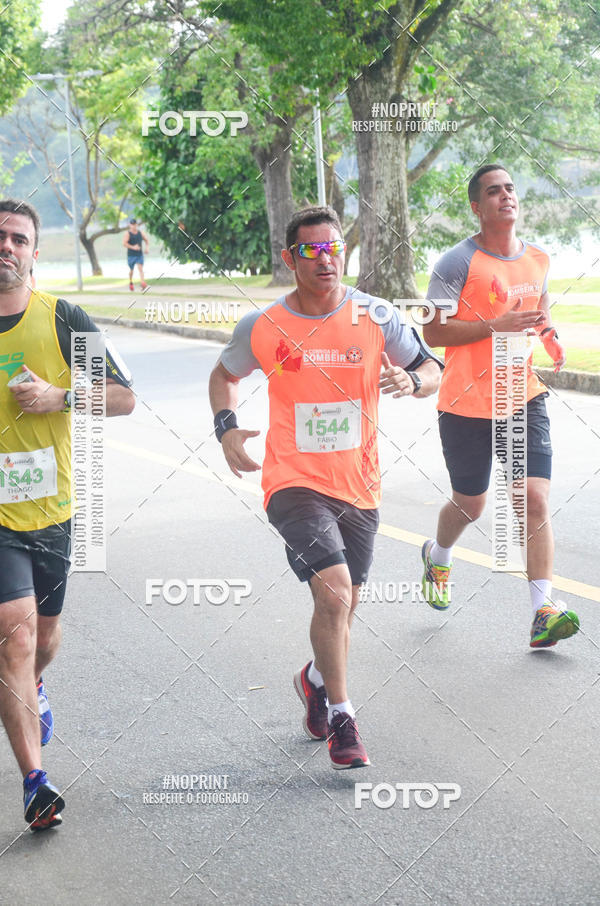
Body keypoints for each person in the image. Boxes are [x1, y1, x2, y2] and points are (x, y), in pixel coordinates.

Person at [209, 205, 443, 769]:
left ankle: (313, 680)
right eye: (311, 250)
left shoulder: (375, 316)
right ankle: (343, 717)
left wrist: (410, 380)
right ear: (290, 259)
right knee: (335, 590)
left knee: (344, 602)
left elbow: (433, 368)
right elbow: (224, 375)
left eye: (333, 246)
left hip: (359, 483)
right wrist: (227, 428)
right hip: (291, 480)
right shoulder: (263, 326)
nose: (325, 258)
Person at [0, 199, 135, 830]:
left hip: (52, 508)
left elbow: (125, 398)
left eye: (18, 238)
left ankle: (29, 685)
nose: (7, 246)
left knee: (43, 640)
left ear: (34, 251)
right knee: (16, 635)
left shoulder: (64, 319)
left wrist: (61, 396)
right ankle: (35, 783)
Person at [422, 163, 579, 648]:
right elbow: (431, 330)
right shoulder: (454, 263)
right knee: (471, 504)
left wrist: (549, 338)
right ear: (476, 206)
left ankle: (542, 611)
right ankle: (438, 553)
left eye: (511, 188)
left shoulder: (538, 258)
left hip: (521, 394)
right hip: (465, 403)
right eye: (494, 191)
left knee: (532, 497)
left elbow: (539, 312)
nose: (506, 196)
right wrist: (496, 326)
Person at [123, 218, 149, 291]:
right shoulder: (127, 234)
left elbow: (147, 240)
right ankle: (131, 282)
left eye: (134, 224)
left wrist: (147, 248)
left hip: (139, 254)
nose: (133, 226)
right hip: (131, 255)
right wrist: (133, 247)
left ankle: (143, 283)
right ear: (130, 225)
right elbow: (124, 243)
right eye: (132, 225)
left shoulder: (141, 233)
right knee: (131, 270)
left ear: (136, 225)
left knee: (140, 268)